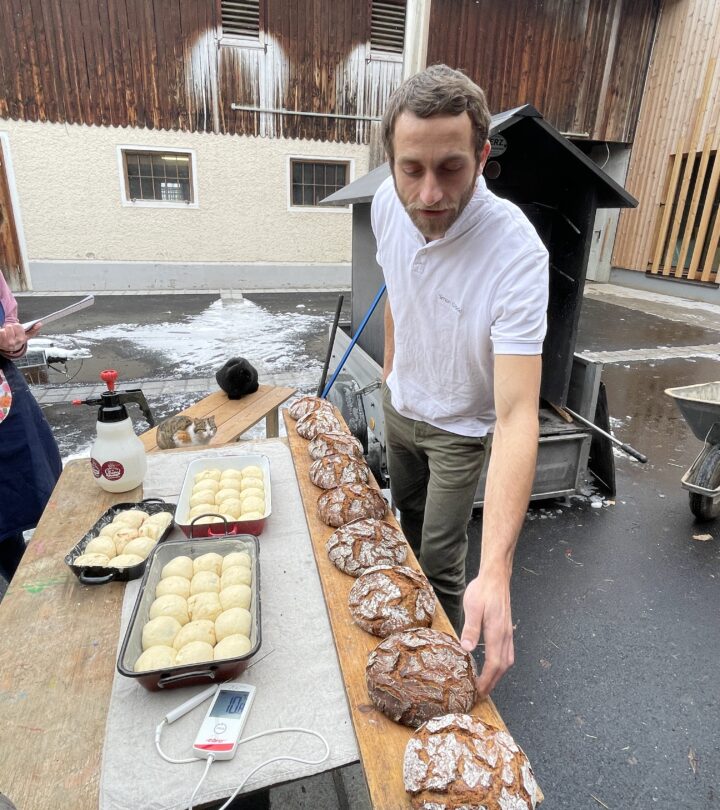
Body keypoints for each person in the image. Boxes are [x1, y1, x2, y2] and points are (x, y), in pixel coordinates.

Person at [372, 65, 549, 696]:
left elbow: (517, 412)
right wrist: (392, 376)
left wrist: (497, 570)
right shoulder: (385, 210)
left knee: (444, 559)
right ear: (390, 161)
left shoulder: (517, 255)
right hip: (402, 408)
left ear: (482, 154)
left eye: (450, 168)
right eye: (410, 169)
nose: (428, 194)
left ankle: (439, 676)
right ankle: (400, 638)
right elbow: (398, 289)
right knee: (404, 523)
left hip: (460, 428)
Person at [0, 273, 62, 583]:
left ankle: (22, 588)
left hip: (5, 404)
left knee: (18, 496)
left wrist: (14, 342)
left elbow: (8, 324)